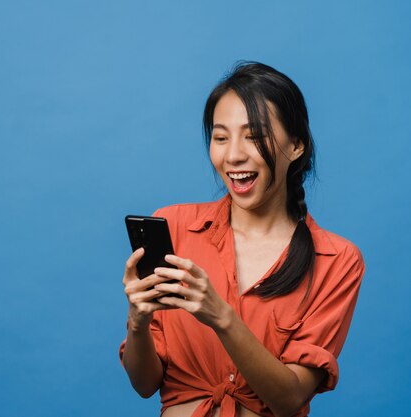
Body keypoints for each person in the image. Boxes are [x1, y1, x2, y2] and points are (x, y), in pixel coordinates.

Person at [119, 62, 365, 417]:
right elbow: (144, 385)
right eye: (221, 137)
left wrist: (222, 317)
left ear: (296, 145)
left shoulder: (336, 260)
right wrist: (137, 321)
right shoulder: (174, 225)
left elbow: (288, 399)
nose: (233, 155)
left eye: (254, 136)